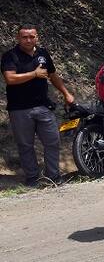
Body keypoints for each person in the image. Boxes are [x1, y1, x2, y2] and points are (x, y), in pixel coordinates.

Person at [2, 24, 76, 186]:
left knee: (53, 141)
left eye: (32, 36)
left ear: (37, 37)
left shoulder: (43, 54)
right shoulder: (10, 56)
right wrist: (34, 74)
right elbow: (10, 79)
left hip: (43, 106)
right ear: (18, 38)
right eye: (24, 37)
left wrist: (66, 93)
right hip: (19, 109)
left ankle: (53, 177)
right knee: (25, 145)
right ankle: (33, 178)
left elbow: (53, 75)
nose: (28, 40)